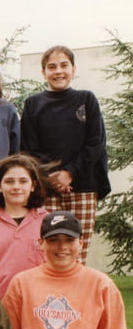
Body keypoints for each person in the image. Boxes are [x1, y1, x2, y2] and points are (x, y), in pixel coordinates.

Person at [20, 45, 111, 264]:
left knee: (77, 252)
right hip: (47, 188)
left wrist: (69, 173)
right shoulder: (33, 104)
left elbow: (95, 143)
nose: (58, 71)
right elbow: (29, 148)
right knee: (46, 252)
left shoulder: (86, 99)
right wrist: (53, 176)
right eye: (52, 67)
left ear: (73, 69)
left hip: (83, 187)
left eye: (64, 65)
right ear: (44, 73)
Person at [0, 154, 48, 299]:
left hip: (37, 304)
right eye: (9, 181)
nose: (16, 187)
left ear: (33, 186)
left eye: (23, 181)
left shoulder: (47, 221)